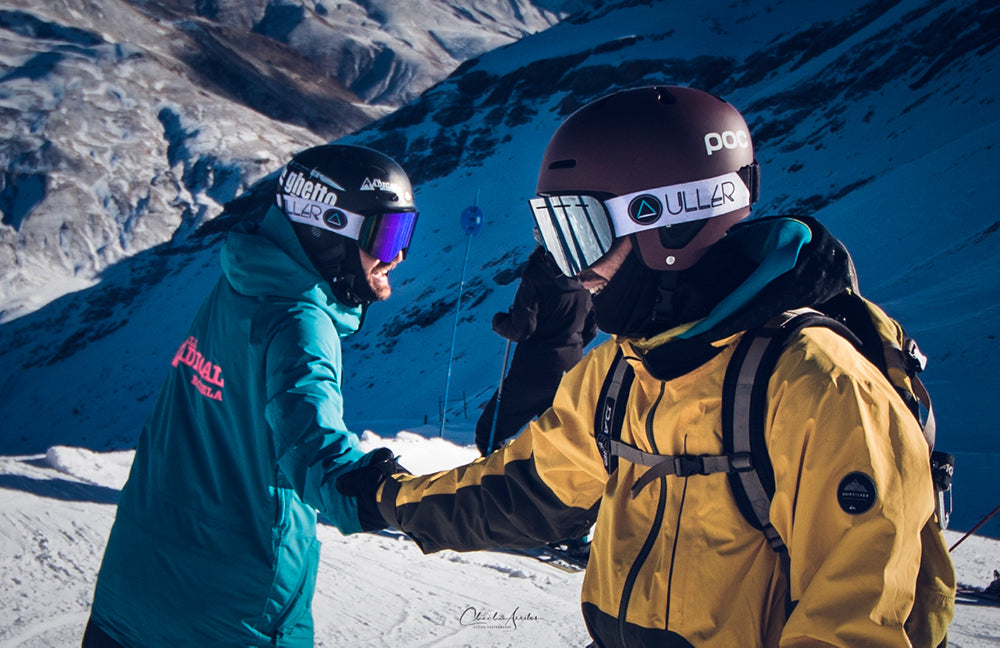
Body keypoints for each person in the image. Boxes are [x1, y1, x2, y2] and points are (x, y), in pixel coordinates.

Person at [342, 86, 950, 646]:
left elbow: (856, 624)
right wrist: (388, 499)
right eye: (556, 238)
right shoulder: (620, 372)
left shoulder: (818, 387)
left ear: (670, 221)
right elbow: (521, 490)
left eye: (580, 234)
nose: (573, 270)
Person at [83, 144, 415, 647]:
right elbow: (320, 457)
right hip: (231, 618)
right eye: (389, 234)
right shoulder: (300, 324)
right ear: (328, 224)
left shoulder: (244, 279)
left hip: (130, 594)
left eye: (405, 233)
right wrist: (400, 497)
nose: (399, 256)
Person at [474, 245, 596, 456]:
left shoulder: (537, 276)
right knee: (559, 437)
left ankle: (502, 482)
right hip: (570, 371)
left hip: (532, 371)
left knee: (488, 433)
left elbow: (521, 330)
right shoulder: (586, 277)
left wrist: (499, 322)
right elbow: (591, 329)